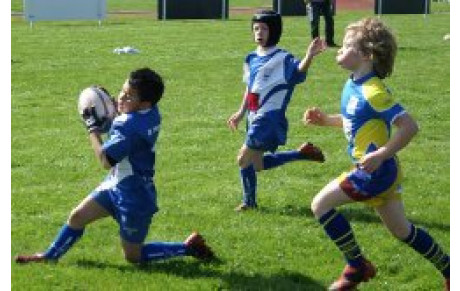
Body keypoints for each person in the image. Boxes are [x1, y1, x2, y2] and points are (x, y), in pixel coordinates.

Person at [303, 18, 450, 290]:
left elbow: (409, 126)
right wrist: (325, 120)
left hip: (374, 173)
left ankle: (357, 266)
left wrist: (381, 154)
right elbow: (355, 120)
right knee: (402, 231)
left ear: (367, 56)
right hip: (383, 172)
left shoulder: (374, 91)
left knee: (320, 205)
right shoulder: (353, 84)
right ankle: (451, 270)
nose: (339, 50)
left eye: (347, 47)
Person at [15, 68, 214, 265]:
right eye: (122, 91)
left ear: (144, 102)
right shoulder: (152, 112)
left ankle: (188, 247)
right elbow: (127, 116)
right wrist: (111, 105)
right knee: (77, 217)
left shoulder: (129, 126)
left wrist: (92, 127)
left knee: (133, 257)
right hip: (117, 184)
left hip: (134, 197)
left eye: (128, 97)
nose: (121, 98)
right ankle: (49, 257)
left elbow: (105, 160)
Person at [227, 10, 326, 212]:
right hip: (254, 116)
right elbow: (250, 88)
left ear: (275, 31)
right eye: (256, 28)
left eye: (264, 28)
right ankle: (300, 154)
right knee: (256, 165)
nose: (259, 33)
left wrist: (309, 56)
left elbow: (298, 70)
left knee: (242, 159)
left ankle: (249, 203)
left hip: (269, 117)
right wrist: (240, 112)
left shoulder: (283, 58)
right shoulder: (251, 58)